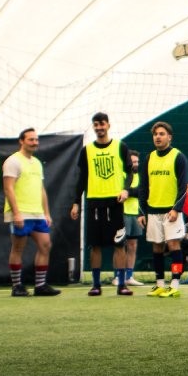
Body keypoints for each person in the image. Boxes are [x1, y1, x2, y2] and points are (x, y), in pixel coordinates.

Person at [69, 112, 132, 296]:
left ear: (108, 125)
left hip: (115, 203)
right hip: (94, 203)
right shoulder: (86, 150)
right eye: (96, 124)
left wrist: (125, 189)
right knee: (95, 245)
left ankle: (122, 285)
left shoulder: (120, 146)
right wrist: (75, 203)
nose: (99, 127)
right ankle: (96, 285)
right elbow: (82, 178)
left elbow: (130, 172)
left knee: (119, 244)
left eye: (102, 124)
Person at [2, 128, 60, 297]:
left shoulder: (37, 163)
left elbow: (41, 189)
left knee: (45, 245)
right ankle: (17, 286)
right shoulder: (13, 161)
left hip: (37, 213)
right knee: (18, 248)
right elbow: (8, 188)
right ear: (21, 141)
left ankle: (40, 286)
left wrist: (46, 213)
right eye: (31, 140)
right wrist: (16, 213)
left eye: (36, 140)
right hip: (21, 212)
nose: (35, 143)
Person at [136, 121, 188, 298]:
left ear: (169, 137)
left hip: (171, 212)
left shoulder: (178, 157)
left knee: (174, 245)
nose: (157, 137)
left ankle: (174, 285)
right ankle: (159, 284)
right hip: (153, 211)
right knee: (157, 247)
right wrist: (141, 212)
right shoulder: (149, 158)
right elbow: (143, 187)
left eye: (161, 134)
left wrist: (176, 209)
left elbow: (183, 187)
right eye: (155, 134)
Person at [121, 150, 145, 286]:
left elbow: (141, 192)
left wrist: (129, 192)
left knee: (133, 245)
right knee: (120, 246)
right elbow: (120, 193)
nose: (136, 164)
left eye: (137, 162)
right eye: (133, 162)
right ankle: (118, 276)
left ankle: (129, 277)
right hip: (122, 213)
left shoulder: (139, 177)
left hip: (135, 215)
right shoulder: (122, 175)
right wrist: (132, 192)